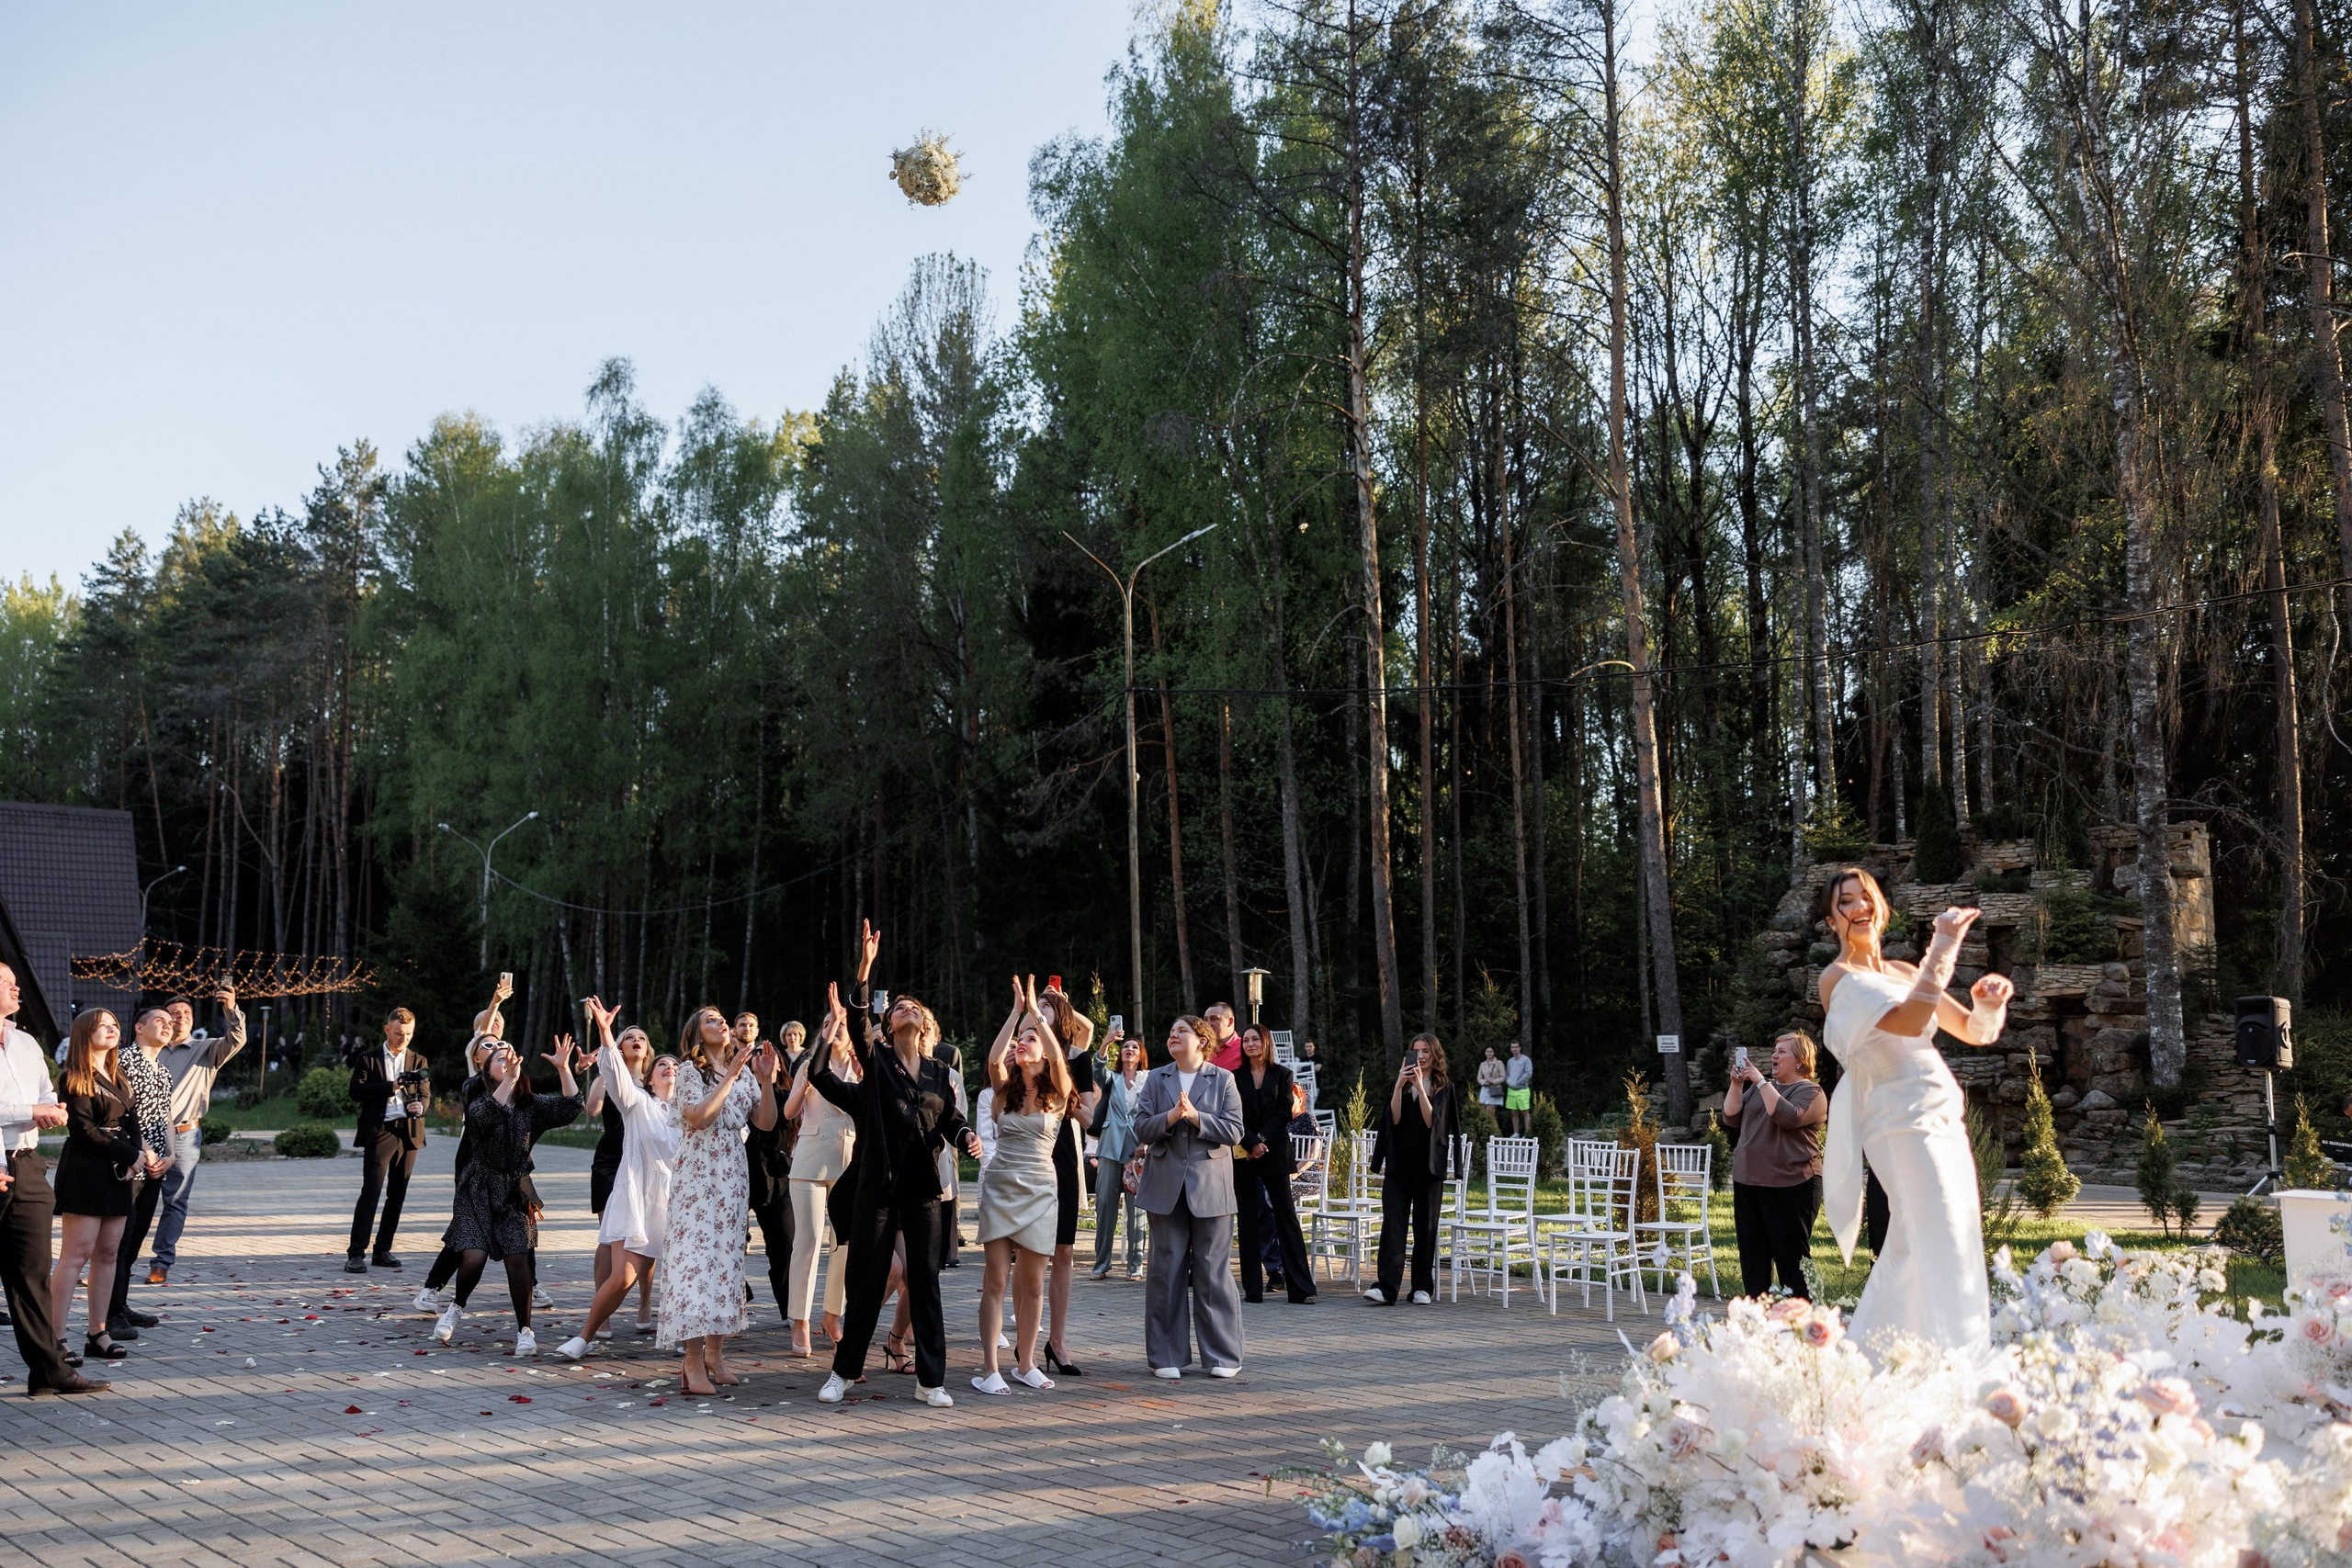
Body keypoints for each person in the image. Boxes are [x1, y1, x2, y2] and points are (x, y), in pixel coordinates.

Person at [1816, 866, 2013, 1359]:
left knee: (1939, 1235)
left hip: (1942, 1114)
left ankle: (1883, 1361)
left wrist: (1988, 1004)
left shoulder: (1905, 973)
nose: (1859, 907)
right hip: (1898, 1120)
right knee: (1940, 1229)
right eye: (1846, 902)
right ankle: (1958, 1360)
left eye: (1866, 897)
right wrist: (1943, 945)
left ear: (1881, 907)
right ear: (1831, 920)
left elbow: (1973, 1031)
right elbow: (1910, 1021)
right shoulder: (1837, 979)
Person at [810, 942, 980, 1410]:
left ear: (924, 1026)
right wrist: (863, 970)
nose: (906, 1009)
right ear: (890, 1025)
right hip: (878, 1190)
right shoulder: (878, 1062)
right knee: (867, 1283)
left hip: (923, 1191)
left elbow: (950, 1119)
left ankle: (931, 1381)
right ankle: (843, 1373)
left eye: (914, 1008)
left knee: (925, 1283)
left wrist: (966, 1134)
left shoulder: (940, 1073)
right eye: (899, 1007)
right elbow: (859, 1028)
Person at [431, 1035, 581, 1355]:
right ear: (487, 1072)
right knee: (473, 1255)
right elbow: (486, 1116)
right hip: (477, 1188)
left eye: (511, 1055)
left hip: (515, 1189)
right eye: (499, 1058)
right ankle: (456, 1307)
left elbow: (571, 1107)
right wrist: (509, 1080)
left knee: (518, 1259)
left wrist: (565, 1069)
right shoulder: (478, 1099)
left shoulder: (531, 1105)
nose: (508, 1059)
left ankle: (525, 1331)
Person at [662, 1006, 777, 1394]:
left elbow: (765, 1123)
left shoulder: (743, 1070)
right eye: (711, 1020)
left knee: (726, 1261)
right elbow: (699, 1118)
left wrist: (764, 1081)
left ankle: (715, 1352)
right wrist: (727, 1076)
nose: (722, 1023)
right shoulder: (689, 1073)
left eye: (722, 1019)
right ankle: (692, 1360)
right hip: (697, 1175)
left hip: (731, 1175)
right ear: (696, 1033)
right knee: (696, 1261)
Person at [560, 998, 682, 1359]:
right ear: (649, 1075)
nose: (669, 1068)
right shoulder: (638, 1103)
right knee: (623, 1277)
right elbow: (614, 1078)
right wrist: (605, 1032)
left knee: (679, 1276)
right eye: (662, 1065)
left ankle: (681, 1338)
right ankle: (585, 1336)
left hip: (679, 1203)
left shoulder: (690, 1115)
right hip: (638, 1198)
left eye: (675, 1066)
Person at [971, 976, 1073, 1394]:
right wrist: (1016, 1013)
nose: (1021, 1044)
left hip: (1041, 1190)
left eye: (1029, 1040)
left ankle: (1027, 1363)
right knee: (996, 1279)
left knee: (1032, 1285)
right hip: (999, 1187)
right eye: (1020, 1040)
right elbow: (995, 1058)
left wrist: (1037, 1015)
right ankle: (990, 1368)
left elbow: (1059, 1057)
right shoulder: (1002, 1092)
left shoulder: (1058, 1092)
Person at [0, 965, 98, 1393]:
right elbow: (26, 1107)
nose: (16, 986)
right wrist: (29, 1111)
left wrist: (48, 1109)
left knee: (32, 1274)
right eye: (5, 982)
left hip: (28, 1166)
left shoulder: (24, 1042)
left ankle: (48, 1370)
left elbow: (43, 1093)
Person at [1131, 1014, 1244, 1379]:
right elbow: (1141, 1126)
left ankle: (1223, 1357)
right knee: (1165, 1272)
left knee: (1214, 1272)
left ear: (1202, 1040)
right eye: (1171, 1030)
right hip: (1164, 1187)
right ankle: (1167, 1356)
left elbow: (1235, 1130)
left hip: (1211, 1187)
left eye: (1182, 1031)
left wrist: (1196, 1117)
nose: (1173, 1035)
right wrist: (1168, 1117)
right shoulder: (1155, 1078)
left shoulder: (1223, 1079)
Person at [51, 1009, 154, 1365]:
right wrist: (130, 1155)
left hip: (117, 1170)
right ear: (85, 1034)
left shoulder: (117, 1074)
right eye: (102, 1026)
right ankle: (56, 1337)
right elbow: (83, 1131)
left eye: (114, 1025)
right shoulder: (74, 1076)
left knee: (109, 1254)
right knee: (75, 1255)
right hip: (86, 1171)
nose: (112, 1030)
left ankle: (98, 1332)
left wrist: (136, 1154)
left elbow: (133, 1119)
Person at [142, 987, 244, 1285]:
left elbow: (237, 1039)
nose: (181, 1017)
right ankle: (113, 1262)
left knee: (175, 1200)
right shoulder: (150, 1050)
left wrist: (230, 1008)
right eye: (175, 1014)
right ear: (163, 1020)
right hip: (145, 1134)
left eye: (187, 1013)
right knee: (132, 1201)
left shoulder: (207, 1049)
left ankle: (161, 1263)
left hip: (185, 1135)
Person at [1722, 1032, 1827, 1299]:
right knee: (1753, 1258)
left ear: (1801, 1062)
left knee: (1791, 1259)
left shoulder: (1811, 1092)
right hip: (1749, 1183)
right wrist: (1736, 1085)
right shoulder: (1761, 1090)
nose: (1774, 1055)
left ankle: (1800, 1324)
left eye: (1782, 1051)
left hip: (1792, 1185)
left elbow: (1786, 1116)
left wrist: (1758, 1080)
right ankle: (1758, 1322)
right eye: (1774, 1050)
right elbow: (1731, 1117)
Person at [102, 1003, 177, 1343]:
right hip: (132, 1162)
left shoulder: (162, 1069)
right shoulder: (124, 1063)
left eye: (170, 1022)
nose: (168, 1025)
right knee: (119, 1240)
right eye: (159, 1021)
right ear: (139, 1028)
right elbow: (125, 1116)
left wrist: (172, 1154)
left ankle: (121, 1304)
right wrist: (145, 1150)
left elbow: (167, 1117)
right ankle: (109, 1314)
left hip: (157, 1166)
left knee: (134, 1240)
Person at [1365, 1032, 1457, 1305]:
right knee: (1393, 1224)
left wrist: (1420, 1086)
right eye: (1416, 1050)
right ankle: (1386, 1288)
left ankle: (1422, 1287)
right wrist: (1399, 1087)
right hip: (1400, 1164)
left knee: (1424, 1227)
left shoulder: (1443, 1086)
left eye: (1426, 1050)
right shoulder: (1401, 1083)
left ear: (1434, 1054)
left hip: (1428, 1167)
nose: (1421, 1055)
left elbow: (1433, 1124)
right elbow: (1393, 1119)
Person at [581, 1018, 657, 1336]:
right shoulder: (612, 1076)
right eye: (630, 1037)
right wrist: (604, 1071)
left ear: (647, 1049)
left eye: (641, 1036)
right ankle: (605, 1310)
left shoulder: (658, 1080)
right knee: (609, 1236)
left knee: (648, 1234)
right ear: (621, 1047)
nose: (636, 1040)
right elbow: (592, 1110)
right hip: (612, 1158)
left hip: (647, 1161)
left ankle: (644, 1302)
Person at [346, 1001, 436, 1272]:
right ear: (387, 1029)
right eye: (399, 1033)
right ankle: (356, 1253)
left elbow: (425, 1092)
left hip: (409, 1132)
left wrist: (420, 1105)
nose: (403, 1038)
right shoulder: (368, 1058)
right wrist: (390, 1086)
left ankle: (382, 1250)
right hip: (381, 1131)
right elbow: (355, 1091)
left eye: (408, 1034)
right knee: (371, 1192)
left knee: (397, 1194)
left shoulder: (419, 1061)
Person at [1035, 983, 1097, 1375]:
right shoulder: (1022, 1052)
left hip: (1063, 1154)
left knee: (1064, 1252)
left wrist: (1067, 1092)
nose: (1037, 1013)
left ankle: (1056, 1340)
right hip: (1028, 1157)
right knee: (1030, 1255)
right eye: (1033, 1008)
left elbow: (1091, 1121)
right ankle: (1025, 1343)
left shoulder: (1079, 1058)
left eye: (1046, 1007)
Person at [782, 1031, 855, 1359]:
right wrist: (802, 1086)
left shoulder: (862, 1065)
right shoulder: (811, 1064)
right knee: (808, 1240)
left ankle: (832, 1314)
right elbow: (788, 1113)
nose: (836, 1027)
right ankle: (800, 1318)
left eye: (840, 1022)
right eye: (829, 1022)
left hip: (850, 1161)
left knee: (843, 1244)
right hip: (810, 1159)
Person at [1233, 1022, 1317, 1304]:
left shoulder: (1283, 1075)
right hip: (1244, 1154)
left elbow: (1284, 1112)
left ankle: (1302, 1289)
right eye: (1246, 1040)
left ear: (1266, 1043)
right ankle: (1252, 1290)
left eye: (1255, 1039)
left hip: (1275, 1151)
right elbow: (1233, 1115)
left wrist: (1261, 1140)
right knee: (1247, 1220)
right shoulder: (1234, 1077)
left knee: (1286, 1219)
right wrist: (1250, 1142)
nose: (1249, 1044)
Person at [741, 1012, 797, 1321]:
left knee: (786, 1245)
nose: (764, 1062)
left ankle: (789, 1309)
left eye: (770, 1058)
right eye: (758, 1058)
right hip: (738, 1175)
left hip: (776, 1178)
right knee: (728, 1243)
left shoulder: (785, 1095)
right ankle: (738, 1292)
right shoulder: (737, 1093)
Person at [1090, 1027, 1146, 1280]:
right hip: (1110, 1148)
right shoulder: (1112, 1079)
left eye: (1134, 1047)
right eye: (1126, 1047)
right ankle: (1102, 1263)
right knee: (1105, 1205)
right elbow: (1097, 1069)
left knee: (1137, 1210)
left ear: (1141, 1054)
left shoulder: (1150, 1080)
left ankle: (1135, 1265)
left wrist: (1148, 1142)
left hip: (1138, 1151)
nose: (1129, 1050)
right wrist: (1106, 1042)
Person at [1503, 1041, 1533, 1136]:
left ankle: (1527, 1133)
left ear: (1520, 1048)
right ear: (1511, 1049)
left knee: (1525, 1112)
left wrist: (1518, 1082)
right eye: (1513, 1047)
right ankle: (1516, 1133)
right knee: (1513, 1112)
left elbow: (1528, 1073)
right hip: (1511, 1090)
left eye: (1516, 1047)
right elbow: (1507, 1074)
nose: (1515, 1049)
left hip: (1522, 1090)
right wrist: (1509, 1082)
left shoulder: (1526, 1060)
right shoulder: (1510, 1061)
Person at [1202, 1003, 1241, 1073]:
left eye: (1214, 1019)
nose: (1208, 1024)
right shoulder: (1201, 1049)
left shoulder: (1245, 1047)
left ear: (1230, 1022)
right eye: (1206, 1019)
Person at [1476, 1046, 1507, 1114]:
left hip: (1495, 1089)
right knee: (1483, 1111)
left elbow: (1503, 1077)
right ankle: (1489, 1124)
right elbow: (1479, 1077)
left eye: (1491, 1051)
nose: (1489, 1053)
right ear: (1485, 1053)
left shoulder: (1499, 1063)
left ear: (1494, 1053)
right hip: (1485, 1089)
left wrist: (1493, 1082)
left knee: (1490, 1111)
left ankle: (1491, 1124)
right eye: (1487, 1051)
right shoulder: (1482, 1064)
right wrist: (1484, 1083)